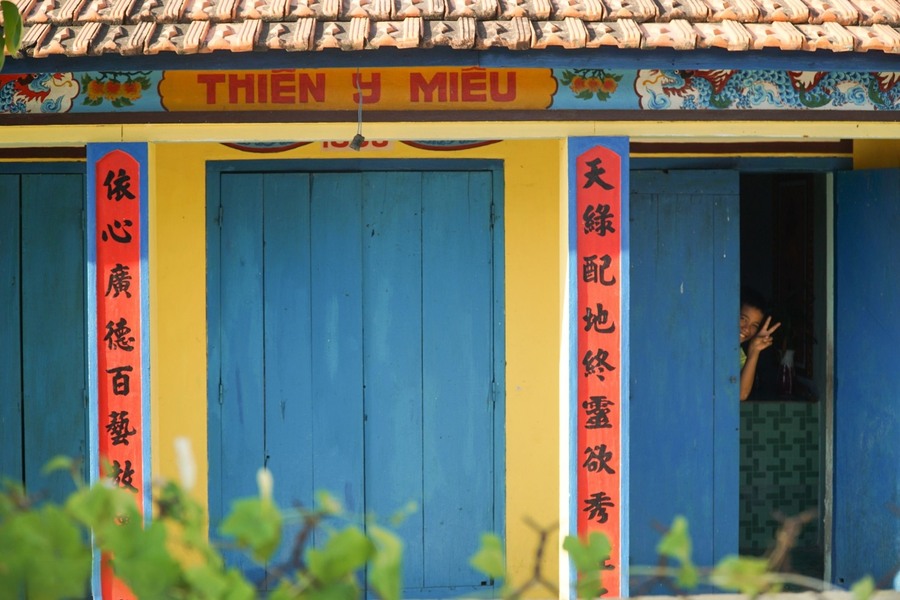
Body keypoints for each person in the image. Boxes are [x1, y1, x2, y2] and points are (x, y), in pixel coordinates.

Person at [739, 287, 780, 401]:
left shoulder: (740, 354)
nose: (747, 329)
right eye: (743, 319)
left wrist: (755, 350)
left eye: (754, 325)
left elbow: (741, 395)